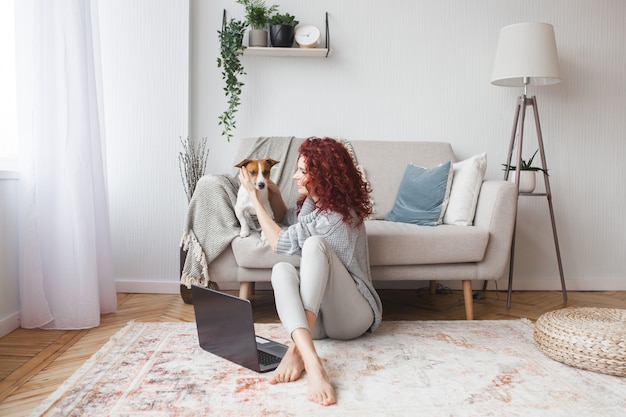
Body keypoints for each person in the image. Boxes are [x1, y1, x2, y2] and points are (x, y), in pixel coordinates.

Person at [238, 137, 383, 406]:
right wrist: (275, 194)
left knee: (315, 245)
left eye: (302, 171)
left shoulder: (339, 215)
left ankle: (305, 358)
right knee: (282, 270)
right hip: (315, 323)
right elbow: (287, 222)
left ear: (324, 176)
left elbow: (278, 241)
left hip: (352, 318)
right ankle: (306, 348)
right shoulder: (312, 204)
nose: (295, 176)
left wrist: (254, 200)